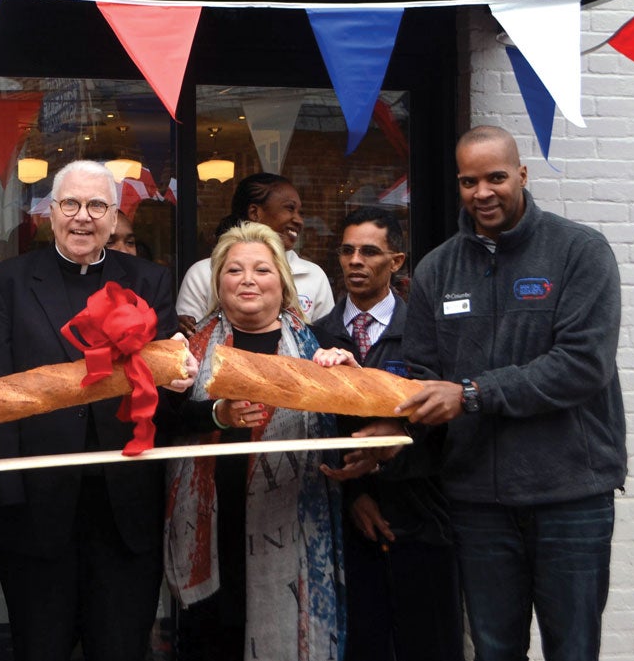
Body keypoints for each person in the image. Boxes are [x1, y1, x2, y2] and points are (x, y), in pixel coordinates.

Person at [397, 126, 627, 661]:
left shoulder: (580, 252)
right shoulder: (436, 269)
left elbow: (581, 366)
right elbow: (424, 376)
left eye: (496, 177)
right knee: (495, 649)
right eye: (469, 180)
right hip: (479, 502)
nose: (483, 192)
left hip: (571, 495)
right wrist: (389, 433)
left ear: (521, 175)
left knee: (573, 649)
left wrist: (471, 393)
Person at [0, 159, 192, 661]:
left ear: (115, 217)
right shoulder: (4, 283)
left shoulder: (150, 282)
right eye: (70, 203)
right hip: (36, 507)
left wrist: (179, 376)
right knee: (39, 648)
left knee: (119, 648)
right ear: (50, 212)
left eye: (97, 205)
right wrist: (5, 492)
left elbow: (160, 387)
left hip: (124, 509)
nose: (82, 217)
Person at [165, 221, 349, 661]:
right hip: (208, 528)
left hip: (291, 519)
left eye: (262, 270)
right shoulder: (185, 348)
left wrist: (347, 375)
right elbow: (160, 422)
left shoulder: (321, 346)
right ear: (218, 282)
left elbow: (348, 428)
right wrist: (216, 414)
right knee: (211, 641)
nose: (248, 280)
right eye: (234, 270)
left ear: (282, 284)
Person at [311, 207, 463, 661]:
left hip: (422, 512)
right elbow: (319, 425)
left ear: (396, 261)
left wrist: (388, 454)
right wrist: (356, 491)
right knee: (363, 644)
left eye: (370, 252)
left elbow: (450, 421)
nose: (355, 260)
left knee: (430, 643)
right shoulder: (317, 337)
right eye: (347, 250)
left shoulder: (426, 329)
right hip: (348, 518)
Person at [177, 172, 333, 330]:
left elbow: (325, 340)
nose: (298, 220)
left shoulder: (314, 275)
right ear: (254, 213)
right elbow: (190, 340)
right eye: (289, 208)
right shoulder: (203, 273)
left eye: (263, 270)